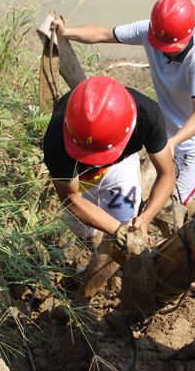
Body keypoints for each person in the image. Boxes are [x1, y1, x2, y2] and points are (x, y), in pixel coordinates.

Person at [52, 0, 195, 207]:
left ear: (191, 32)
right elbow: (103, 34)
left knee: (178, 199)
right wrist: (67, 32)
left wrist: (174, 142)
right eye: (161, 45)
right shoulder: (149, 33)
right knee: (154, 181)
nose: (166, 51)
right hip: (167, 123)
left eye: (172, 47)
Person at [43, 76, 175, 297]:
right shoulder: (57, 136)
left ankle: (84, 297)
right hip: (79, 179)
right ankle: (94, 251)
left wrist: (143, 219)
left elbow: (167, 174)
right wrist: (116, 229)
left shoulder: (147, 115)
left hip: (119, 167)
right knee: (85, 233)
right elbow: (71, 199)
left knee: (122, 240)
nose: (95, 159)